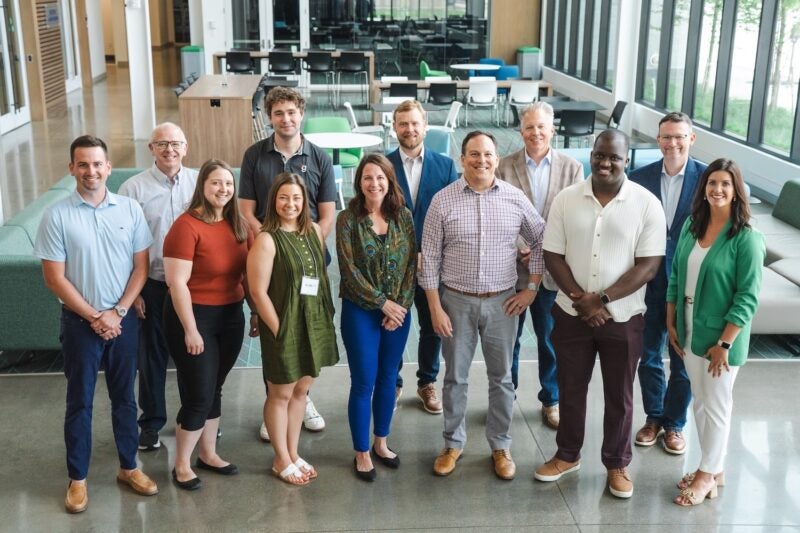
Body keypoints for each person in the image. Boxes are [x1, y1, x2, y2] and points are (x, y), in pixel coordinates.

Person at [533, 130, 666, 499]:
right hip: (571, 314)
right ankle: (567, 454)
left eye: (614, 158)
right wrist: (582, 300)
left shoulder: (646, 203)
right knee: (571, 390)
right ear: (591, 154)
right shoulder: (566, 199)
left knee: (619, 396)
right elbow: (552, 254)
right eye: (600, 155)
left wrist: (603, 300)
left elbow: (649, 265)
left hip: (623, 319)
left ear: (627, 161)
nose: (605, 163)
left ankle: (617, 464)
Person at [33, 135, 158, 513]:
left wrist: (117, 312)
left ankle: (128, 467)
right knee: (80, 402)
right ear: (72, 168)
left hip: (122, 321)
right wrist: (94, 316)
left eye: (97, 164)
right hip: (79, 324)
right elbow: (54, 278)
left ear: (108, 167)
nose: (91, 171)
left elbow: (141, 267)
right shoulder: (57, 216)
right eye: (82, 164)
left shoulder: (130, 209)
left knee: (125, 400)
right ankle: (78, 479)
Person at [420, 131, 546, 480]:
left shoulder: (514, 198)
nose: (482, 160)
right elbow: (429, 258)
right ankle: (452, 443)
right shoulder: (442, 201)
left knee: (502, 379)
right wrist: (435, 307)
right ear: (463, 159)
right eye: (474, 154)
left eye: (488, 154)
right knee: (455, 378)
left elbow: (541, 240)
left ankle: (500, 445)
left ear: (496, 158)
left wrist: (532, 289)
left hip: (503, 303)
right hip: (455, 302)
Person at [239, 86, 336, 438]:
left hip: (308, 258)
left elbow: (327, 215)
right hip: (269, 257)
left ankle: (302, 396)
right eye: (278, 113)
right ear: (269, 117)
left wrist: (302, 245)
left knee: (306, 327)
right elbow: (246, 211)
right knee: (277, 328)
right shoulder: (254, 155)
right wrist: (273, 242)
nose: (286, 119)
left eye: (291, 112)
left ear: (301, 114)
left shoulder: (320, 157)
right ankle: (276, 404)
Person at [666, 159, 764, 506]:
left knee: (718, 405)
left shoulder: (747, 238)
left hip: (722, 338)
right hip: (690, 328)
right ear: (703, 188)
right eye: (711, 183)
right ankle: (714, 468)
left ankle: (706, 474)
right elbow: (676, 276)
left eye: (725, 184)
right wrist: (671, 320)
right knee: (701, 403)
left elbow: (747, 297)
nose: (717, 190)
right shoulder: (693, 226)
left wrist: (725, 343)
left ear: (737, 190)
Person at [163, 159, 255, 491]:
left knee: (215, 387)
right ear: (202, 185)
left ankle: (209, 454)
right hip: (193, 315)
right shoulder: (185, 227)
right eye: (216, 183)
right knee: (199, 393)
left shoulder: (238, 224)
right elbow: (177, 284)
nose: (223, 189)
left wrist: (255, 312)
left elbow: (248, 274)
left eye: (228, 184)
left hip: (230, 316)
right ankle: (181, 465)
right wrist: (190, 329)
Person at [247, 172, 339, 485]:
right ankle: (280, 458)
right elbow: (258, 292)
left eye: (296, 198)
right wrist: (278, 329)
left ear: (305, 201)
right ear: (274, 200)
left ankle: (293, 452)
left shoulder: (314, 230)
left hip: (313, 322)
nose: (290, 204)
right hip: (283, 326)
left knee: (301, 391)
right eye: (284, 197)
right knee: (280, 394)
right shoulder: (267, 238)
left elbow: (321, 278)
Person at [496, 101, 583, 429]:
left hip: (555, 272)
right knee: (508, 340)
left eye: (541, 127)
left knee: (551, 340)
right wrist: (524, 247)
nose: (535, 133)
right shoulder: (504, 166)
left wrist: (544, 251)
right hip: (512, 269)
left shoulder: (572, 168)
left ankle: (552, 399)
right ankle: (506, 396)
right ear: (521, 131)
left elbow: (574, 216)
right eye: (529, 127)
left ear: (552, 130)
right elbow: (499, 213)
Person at [336, 154, 417, 481]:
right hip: (361, 312)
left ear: (389, 180)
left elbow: (412, 264)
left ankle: (381, 442)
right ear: (360, 182)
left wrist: (399, 306)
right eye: (368, 178)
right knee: (364, 381)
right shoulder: (347, 219)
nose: (374, 184)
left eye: (380, 177)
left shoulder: (404, 217)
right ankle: (361, 451)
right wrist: (383, 303)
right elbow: (348, 270)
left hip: (398, 313)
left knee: (388, 378)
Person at [118, 122, 198, 451]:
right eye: (162, 144)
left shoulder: (198, 182)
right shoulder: (132, 189)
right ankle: (151, 423)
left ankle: (198, 417)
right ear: (151, 149)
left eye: (176, 143)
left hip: (192, 286)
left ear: (185, 147)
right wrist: (132, 293)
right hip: (151, 284)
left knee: (195, 356)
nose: (169, 150)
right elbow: (123, 246)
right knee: (151, 358)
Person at [630, 112, 706, 454]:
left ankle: (675, 423)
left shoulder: (708, 179)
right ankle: (654, 417)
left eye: (679, 136)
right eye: (665, 137)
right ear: (657, 140)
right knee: (647, 354)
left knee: (682, 357)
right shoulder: (638, 178)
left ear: (691, 139)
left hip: (689, 283)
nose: (672, 143)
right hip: (648, 280)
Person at [386, 100, 458, 414]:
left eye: (415, 123)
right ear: (394, 128)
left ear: (425, 126)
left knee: (432, 326)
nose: (410, 129)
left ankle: (427, 381)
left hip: (435, 264)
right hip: (395, 266)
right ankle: (394, 380)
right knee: (393, 324)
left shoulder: (445, 166)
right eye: (403, 124)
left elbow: (455, 217)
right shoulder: (383, 166)